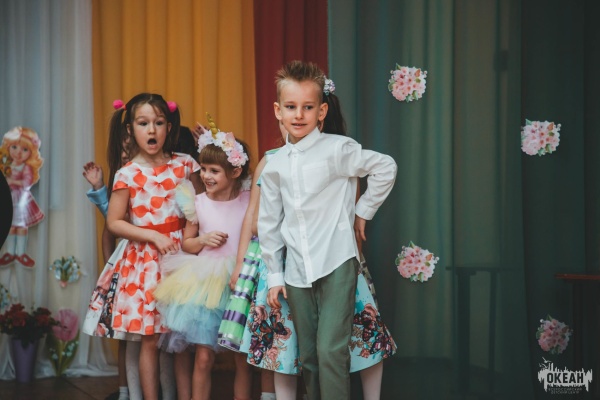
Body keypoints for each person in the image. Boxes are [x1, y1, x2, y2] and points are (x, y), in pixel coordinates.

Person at [258, 61, 397, 399]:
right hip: (296, 271)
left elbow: (385, 166)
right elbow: (269, 222)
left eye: (308, 107)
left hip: (336, 262)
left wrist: (362, 213)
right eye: (291, 107)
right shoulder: (274, 164)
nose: (299, 115)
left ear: (321, 111)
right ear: (278, 110)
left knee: (331, 350)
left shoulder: (337, 149)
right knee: (308, 357)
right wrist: (275, 275)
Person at [105, 93, 201, 400]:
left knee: (181, 337)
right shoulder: (127, 174)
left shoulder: (185, 164)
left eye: (159, 123)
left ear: (169, 127)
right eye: (143, 123)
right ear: (130, 129)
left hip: (181, 258)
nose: (151, 130)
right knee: (150, 338)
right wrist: (153, 236)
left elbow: (202, 206)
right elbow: (114, 222)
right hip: (145, 263)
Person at [153, 124, 252, 400]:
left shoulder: (248, 199)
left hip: (241, 280)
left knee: (242, 358)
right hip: (206, 284)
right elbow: (188, 243)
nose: (206, 175)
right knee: (204, 357)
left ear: (235, 172)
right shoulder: (197, 202)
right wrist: (204, 239)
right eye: (204, 169)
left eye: (214, 171)